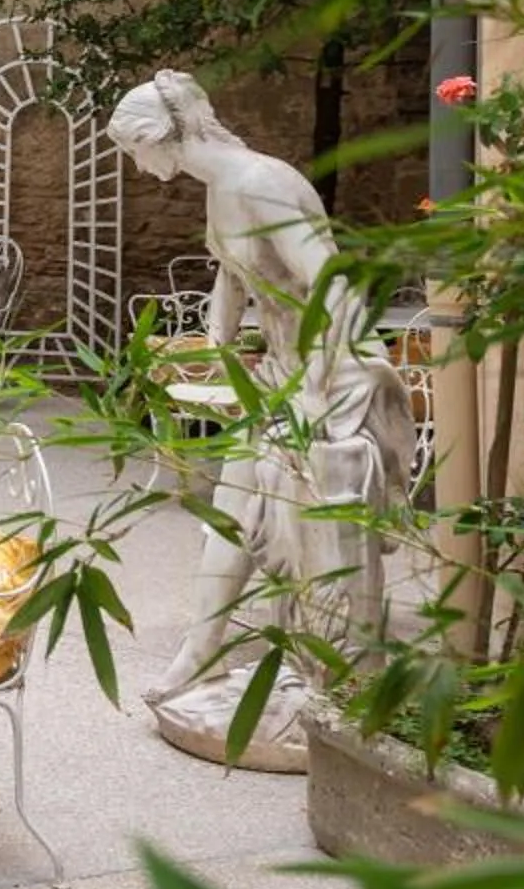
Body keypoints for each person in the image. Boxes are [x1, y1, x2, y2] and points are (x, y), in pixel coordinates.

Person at [107, 72, 415, 766]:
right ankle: (200, 646)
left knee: (298, 520)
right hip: (284, 372)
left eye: (132, 150)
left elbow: (330, 285)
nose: (135, 165)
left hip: (328, 374)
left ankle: (325, 673)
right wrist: (216, 348)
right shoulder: (223, 190)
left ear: (161, 137)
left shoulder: (261, 182)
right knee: (234, 503)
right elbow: (231, 275)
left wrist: (325, 390)